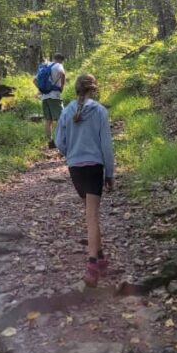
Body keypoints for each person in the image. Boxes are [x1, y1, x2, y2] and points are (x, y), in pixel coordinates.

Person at [54, 74, 115, 287]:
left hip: (75, 168)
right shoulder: (99, 111)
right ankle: (92, 266)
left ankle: (101, 258)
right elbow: (106, 144)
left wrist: (71, 153)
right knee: (92, 217)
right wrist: (110, 173)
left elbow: (58, 141)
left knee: (90, 214)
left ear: (76, 90)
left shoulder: (66, 111)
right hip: (94, 167)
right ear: (93, 89)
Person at [37, 53, 66, 149]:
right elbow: (62, 74)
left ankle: (50, 141)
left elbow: (34, 80)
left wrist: (42, 90)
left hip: (45, 97)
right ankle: (61, 140)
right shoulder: (59, 65)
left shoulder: (45, 66)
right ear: (61, 60)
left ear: (53, 58)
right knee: (61, 118)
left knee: (48, 120)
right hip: (55, 96)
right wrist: (61, 87)